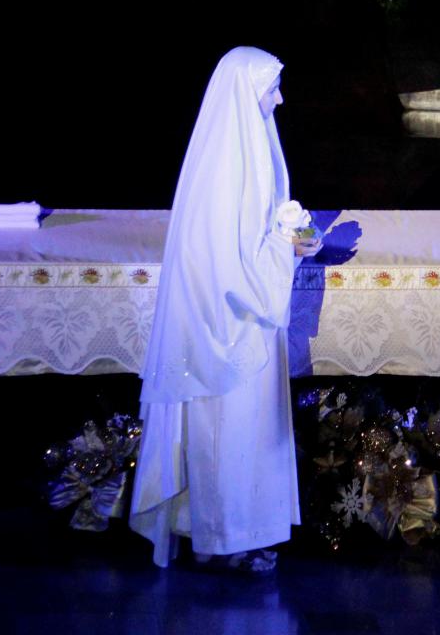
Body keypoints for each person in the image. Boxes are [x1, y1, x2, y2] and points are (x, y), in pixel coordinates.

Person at [130, 47, 320, 574]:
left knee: (245, 434)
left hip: (248, 323)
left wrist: (296, 237)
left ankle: (238, 534)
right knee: (227, 430)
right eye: (272, 88)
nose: (280, 99)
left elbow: (265, 228)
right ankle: (220, 538)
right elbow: (226, 262)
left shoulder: (252, 147)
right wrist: (285, 245)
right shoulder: (223, 166)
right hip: (226, 326)